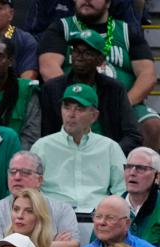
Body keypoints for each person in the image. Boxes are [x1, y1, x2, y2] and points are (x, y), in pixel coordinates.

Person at [37, 0, 159, 150]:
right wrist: (79, 102)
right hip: (73, 100)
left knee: (152, 125)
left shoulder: (128, 31)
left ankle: (136, 170)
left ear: (108, 3)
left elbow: (148, 75)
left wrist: (120, 103)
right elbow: (49, 68)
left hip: (124, 99)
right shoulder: (60, 28)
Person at [39, 31, 141, 154]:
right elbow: (45, 133)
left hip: (105, 157)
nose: (79, 58)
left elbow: (133, 135)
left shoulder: (115, 89)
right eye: (76, 51)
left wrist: (110, 154)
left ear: (100, 60)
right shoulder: (52, 89)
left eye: (87, 53)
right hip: (63, 156)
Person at [31, 84, 127, 215]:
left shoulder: (109, 147)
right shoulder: (42, 146)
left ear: (94, 116)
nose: (71, 114)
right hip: (52, 217)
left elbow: (122, 189)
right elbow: (31, 189)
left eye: (79, 109)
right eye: (66, 107)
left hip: (98, 219)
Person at [0, 150, 81, 247]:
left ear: (40, 180)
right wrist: (52, 245)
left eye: (25, 173)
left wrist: (7, 246)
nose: (17, 177)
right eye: (12, 172)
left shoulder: (63, 210)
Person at [124, 146, 160, 247]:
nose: (132, 173)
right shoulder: (109, 207)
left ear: (157, 176)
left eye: (141, 168)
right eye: (128, 167)